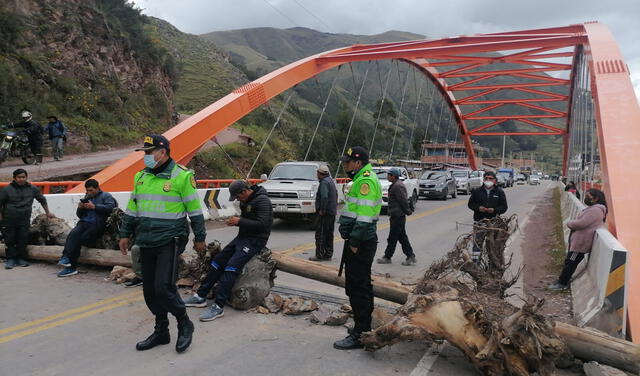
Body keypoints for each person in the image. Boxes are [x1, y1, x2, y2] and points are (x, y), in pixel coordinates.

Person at [118, 135, 207, 353]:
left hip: (170, 239)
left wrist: (200, 238)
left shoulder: (182, 177)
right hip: (146, 239)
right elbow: (132, 208)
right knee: (149, 290)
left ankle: (185, 323)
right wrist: (124, 233)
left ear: (163, 152)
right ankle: (162, 331)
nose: (146, 157)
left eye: (149, 153)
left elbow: (195, 211)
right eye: (144, 153)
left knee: (163, 287)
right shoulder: (141, 177)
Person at [184, 180, 273, 322]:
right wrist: (237, 222)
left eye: (238, 197)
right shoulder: (246, 200)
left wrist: (239, 221)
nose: (237, 200)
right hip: (242, 237)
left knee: (231, 267)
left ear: (244, 191)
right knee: (217, 262)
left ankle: (218, 306)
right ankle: (200, 296)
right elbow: (247, 221)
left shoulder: (262, 201)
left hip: (255, 241)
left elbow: (264, 225)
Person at [334, 146, 382, 350]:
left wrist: (354, 242)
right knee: (360, 285)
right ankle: (363, 326)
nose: (345, 165)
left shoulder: (366, 181)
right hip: (359, 241)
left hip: (360, 243)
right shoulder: (363, 178)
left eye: (347, 162)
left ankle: (360, 333)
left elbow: (363, 218)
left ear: (358, 163)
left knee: (357, 287)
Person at [549, 189, 607, 291]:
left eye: (589, 196)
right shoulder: (595, 209)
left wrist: (570, 223)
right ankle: (563, 280)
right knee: (570, 261)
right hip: (579, 242)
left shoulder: (596, 210)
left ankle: (562, 283)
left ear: (596, 198)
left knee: (570, 263)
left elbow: (581, 223)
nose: (586, 198)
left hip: (580, 244)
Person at [57, 179, 117, 277]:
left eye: (91, 190)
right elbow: (80, 215)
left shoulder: (106, 196)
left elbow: (111, 208)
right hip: (84, 222)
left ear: (97, 188)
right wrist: (80, 208)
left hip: (98, 224)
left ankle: (71, 266)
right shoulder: (87, 197)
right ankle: (66, 258)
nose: (89, 193)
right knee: (73, 234)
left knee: (79, 239)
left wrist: (95, 207)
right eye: (87, 191)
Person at [0, 169, 55, 269]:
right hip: (8, 220)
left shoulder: (32, 188)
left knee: (23, 239)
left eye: (23, 177)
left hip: (24, 219)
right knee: (10, 240)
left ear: (26, 177)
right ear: (14, 178)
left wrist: (48, 212)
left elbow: (42, 199)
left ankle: (22, 258)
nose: (21, 179)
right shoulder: (6, 190)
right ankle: (11, 259)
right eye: (19, 177)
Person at [377, 168, 415, 266]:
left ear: (393, 176)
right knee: (402, 237)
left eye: (389, 175)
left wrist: (408, 211)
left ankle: (387, 257)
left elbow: (403, 201)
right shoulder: (396, 185)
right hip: (396, 215)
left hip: (398, 216)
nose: (387, 176)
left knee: (393, 238)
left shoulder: (397, 186)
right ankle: (410, 255)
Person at [467, 171, 508, 263]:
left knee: (493, 246)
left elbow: (504, 207)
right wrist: (478, 208)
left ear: (495, 180)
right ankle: (475, 264)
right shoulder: (477, 191)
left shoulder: (500, 192)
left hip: (494, 224)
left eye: (490, 178)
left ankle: (493, 265)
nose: (488, 180)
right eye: (486, 178)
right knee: (477, 245)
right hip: (479, 223)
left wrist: (494, 210)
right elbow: (470, 204)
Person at [309, 164, 337, 261]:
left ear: (319, 173)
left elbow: (324, 197)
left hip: (325, 213)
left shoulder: (324, 183)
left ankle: (319, 254)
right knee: (329, 234)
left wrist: (322, 210)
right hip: (332, 212)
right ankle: (328, 254)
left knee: (320, 234)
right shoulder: (330, 181)